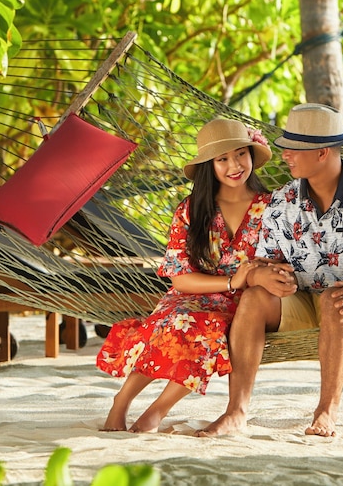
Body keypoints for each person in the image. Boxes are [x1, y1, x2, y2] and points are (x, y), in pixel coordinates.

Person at [197, 103, 343, 438]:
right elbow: (267, 262)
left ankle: (326, 412)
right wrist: (270, 276)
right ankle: (236, 412)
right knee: (254, 298)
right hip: (301, 299)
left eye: (293, 149)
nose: (285, 156)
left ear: (322, 153)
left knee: (334, 299)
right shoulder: (282, 202)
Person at [97, 117, 273, 433]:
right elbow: (180, 279)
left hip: (245, 304)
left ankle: (156, 411)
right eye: (222, 159)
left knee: (204, 330)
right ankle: (121, 402)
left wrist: (248, 281)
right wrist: (232, 280)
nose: (234, 166)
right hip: (191, 294)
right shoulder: (191, 209)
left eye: (240, 154)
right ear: (209, 165)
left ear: (251, 154)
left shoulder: (273, 208)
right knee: (175, 322)